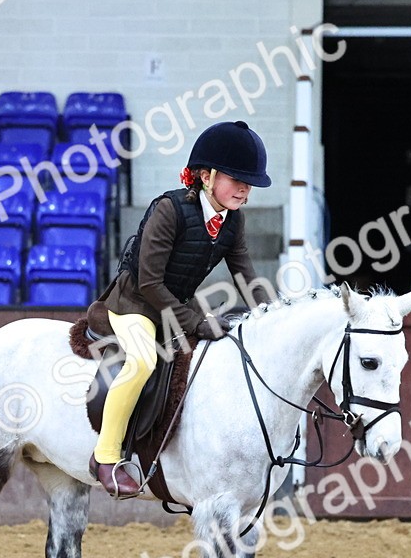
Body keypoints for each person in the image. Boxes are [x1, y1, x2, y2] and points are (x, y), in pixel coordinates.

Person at [88, 120, 273, 497]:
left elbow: (246, 277)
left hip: (171, 309)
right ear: (207, 176)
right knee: (142, 361)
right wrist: (196, 321)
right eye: (236, 179)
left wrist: (273, 316)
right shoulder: (168, 209)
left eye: (248, 182)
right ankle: (105, 456)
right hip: (133, 304)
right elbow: (150, 282)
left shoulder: (232, 221)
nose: (244, 189)